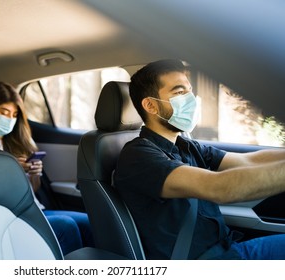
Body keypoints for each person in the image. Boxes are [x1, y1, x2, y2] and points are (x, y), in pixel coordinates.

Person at [113, 59, 285, 260]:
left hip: (227, 248)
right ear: (150, 105)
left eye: (189, 90)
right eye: (179, 92)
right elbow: (220, 187)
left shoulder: (186, 145)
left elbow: (248, 161)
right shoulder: (138, 156)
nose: (191, 99)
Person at [0, 81, 94, 255]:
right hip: (13, 214)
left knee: (88, 222)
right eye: (4, 112)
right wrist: (12, 169)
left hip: (35, 208)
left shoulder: (16, 142)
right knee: (66, 226)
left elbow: (33, 190)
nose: (10, 119)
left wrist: (34, 174)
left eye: (14, 114)